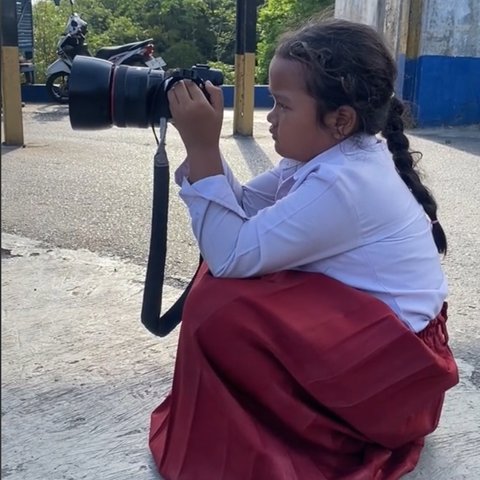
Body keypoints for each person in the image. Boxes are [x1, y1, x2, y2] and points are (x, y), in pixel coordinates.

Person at [149, 18, 458, 479]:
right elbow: (245, 209)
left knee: (221, 306)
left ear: (341, 120)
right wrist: (200, 147)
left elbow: (230, 254)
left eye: (282, 105)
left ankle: (287, 440)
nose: (270, 118)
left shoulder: (343, 181)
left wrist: (203, 148)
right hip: (383, 343)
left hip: (397, 377)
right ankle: (262, 426)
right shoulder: (330, 157)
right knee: (220, 287)